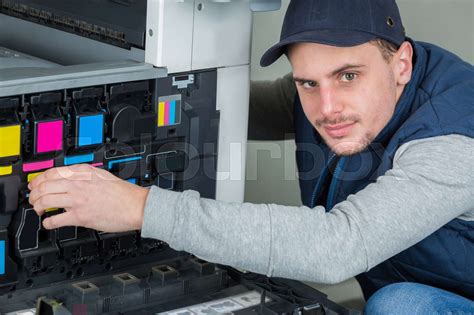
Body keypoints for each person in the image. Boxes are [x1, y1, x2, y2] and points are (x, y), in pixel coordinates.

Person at [28, 0, 474, 313]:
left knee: (402, 306)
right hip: (419, 281)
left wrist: (139, 207)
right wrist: (127, 119)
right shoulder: (331, 96)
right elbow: (241, 108)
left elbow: (340, 246)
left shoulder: (451, 142)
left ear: (401, 64)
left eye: (348, 76)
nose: (328, 107)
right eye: (307, 83)